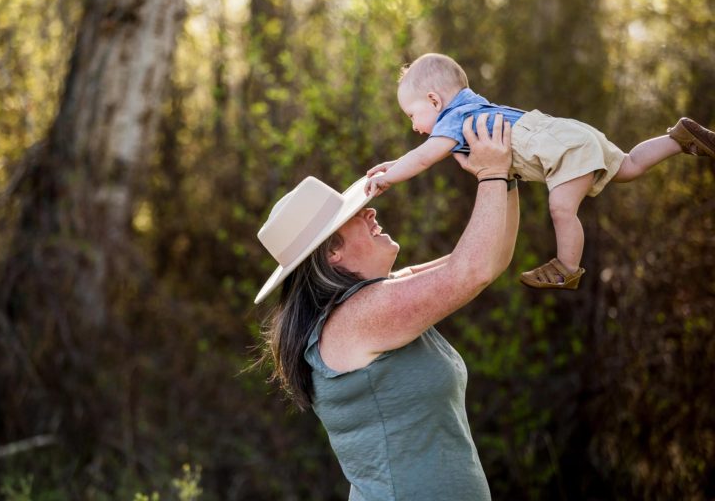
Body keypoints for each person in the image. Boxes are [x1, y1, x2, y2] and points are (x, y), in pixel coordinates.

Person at [254, 113, 517, 500]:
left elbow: (489, 260)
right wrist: (491, 172)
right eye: (354, 216)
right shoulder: (361, 316)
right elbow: (471, 270)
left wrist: (506, 177)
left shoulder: (374, 303)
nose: (370, 212)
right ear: (333, 253)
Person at [364, 52, 715, 290]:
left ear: (434, 101)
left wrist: (389, 177)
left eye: (412, 115)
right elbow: (423, 153)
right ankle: (678, 139)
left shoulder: (454, 119)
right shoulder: (471, 106)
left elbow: (425, 157)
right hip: (567, 134)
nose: (415, 127)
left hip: (561, 147)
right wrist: (394, 166)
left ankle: (566, 266)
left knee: (561, 208)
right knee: (629, 165)